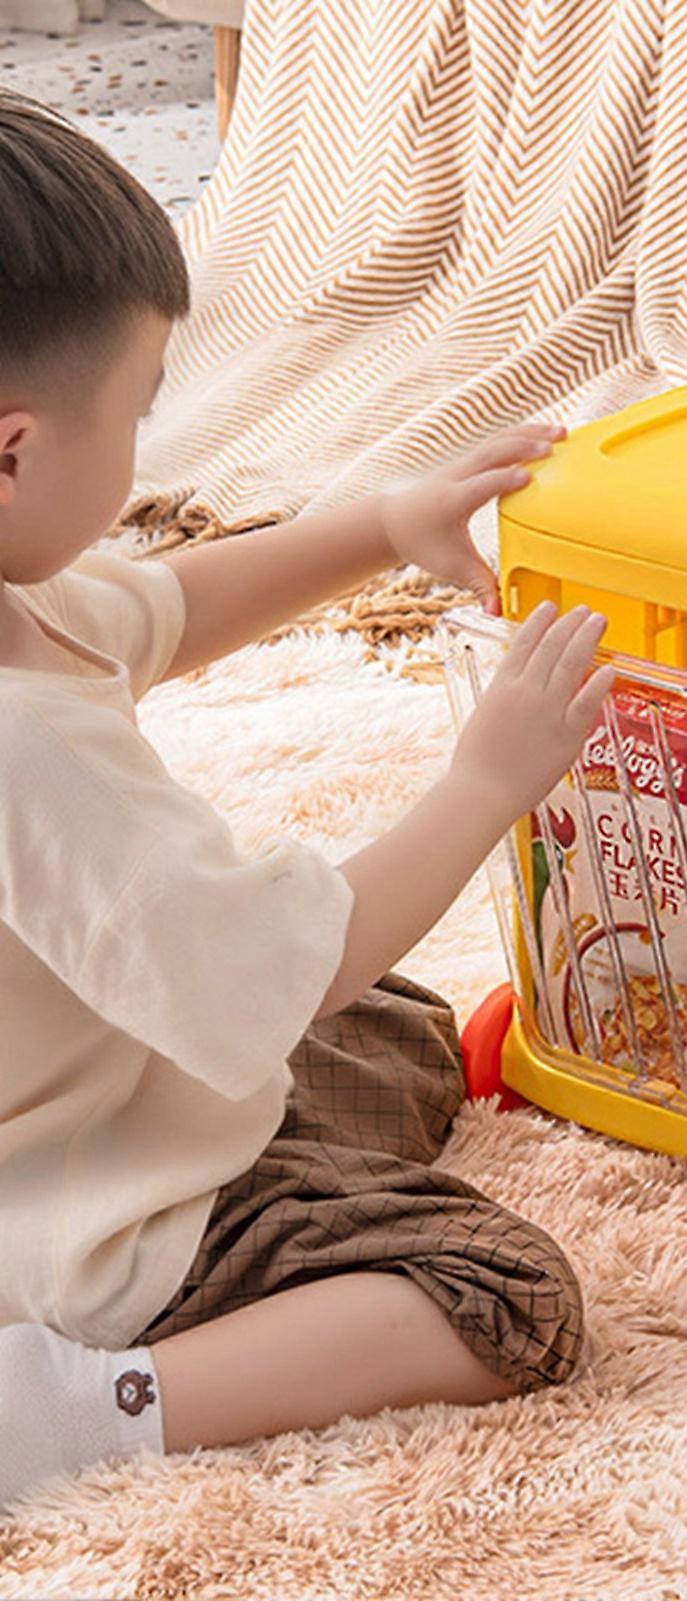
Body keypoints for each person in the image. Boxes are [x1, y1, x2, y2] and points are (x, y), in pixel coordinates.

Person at [0, 89, 615, 1511]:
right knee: (497, 1291)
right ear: (15, 450)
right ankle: (79, 1407)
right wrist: (485, 778)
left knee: (394, 1025)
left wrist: (380, 522)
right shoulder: (30, 748)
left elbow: (162, 604)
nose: (147, 450)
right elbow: (300, 963)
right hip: (77, 1218)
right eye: (140, 411)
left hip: (60, 1090)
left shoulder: (25, 610)